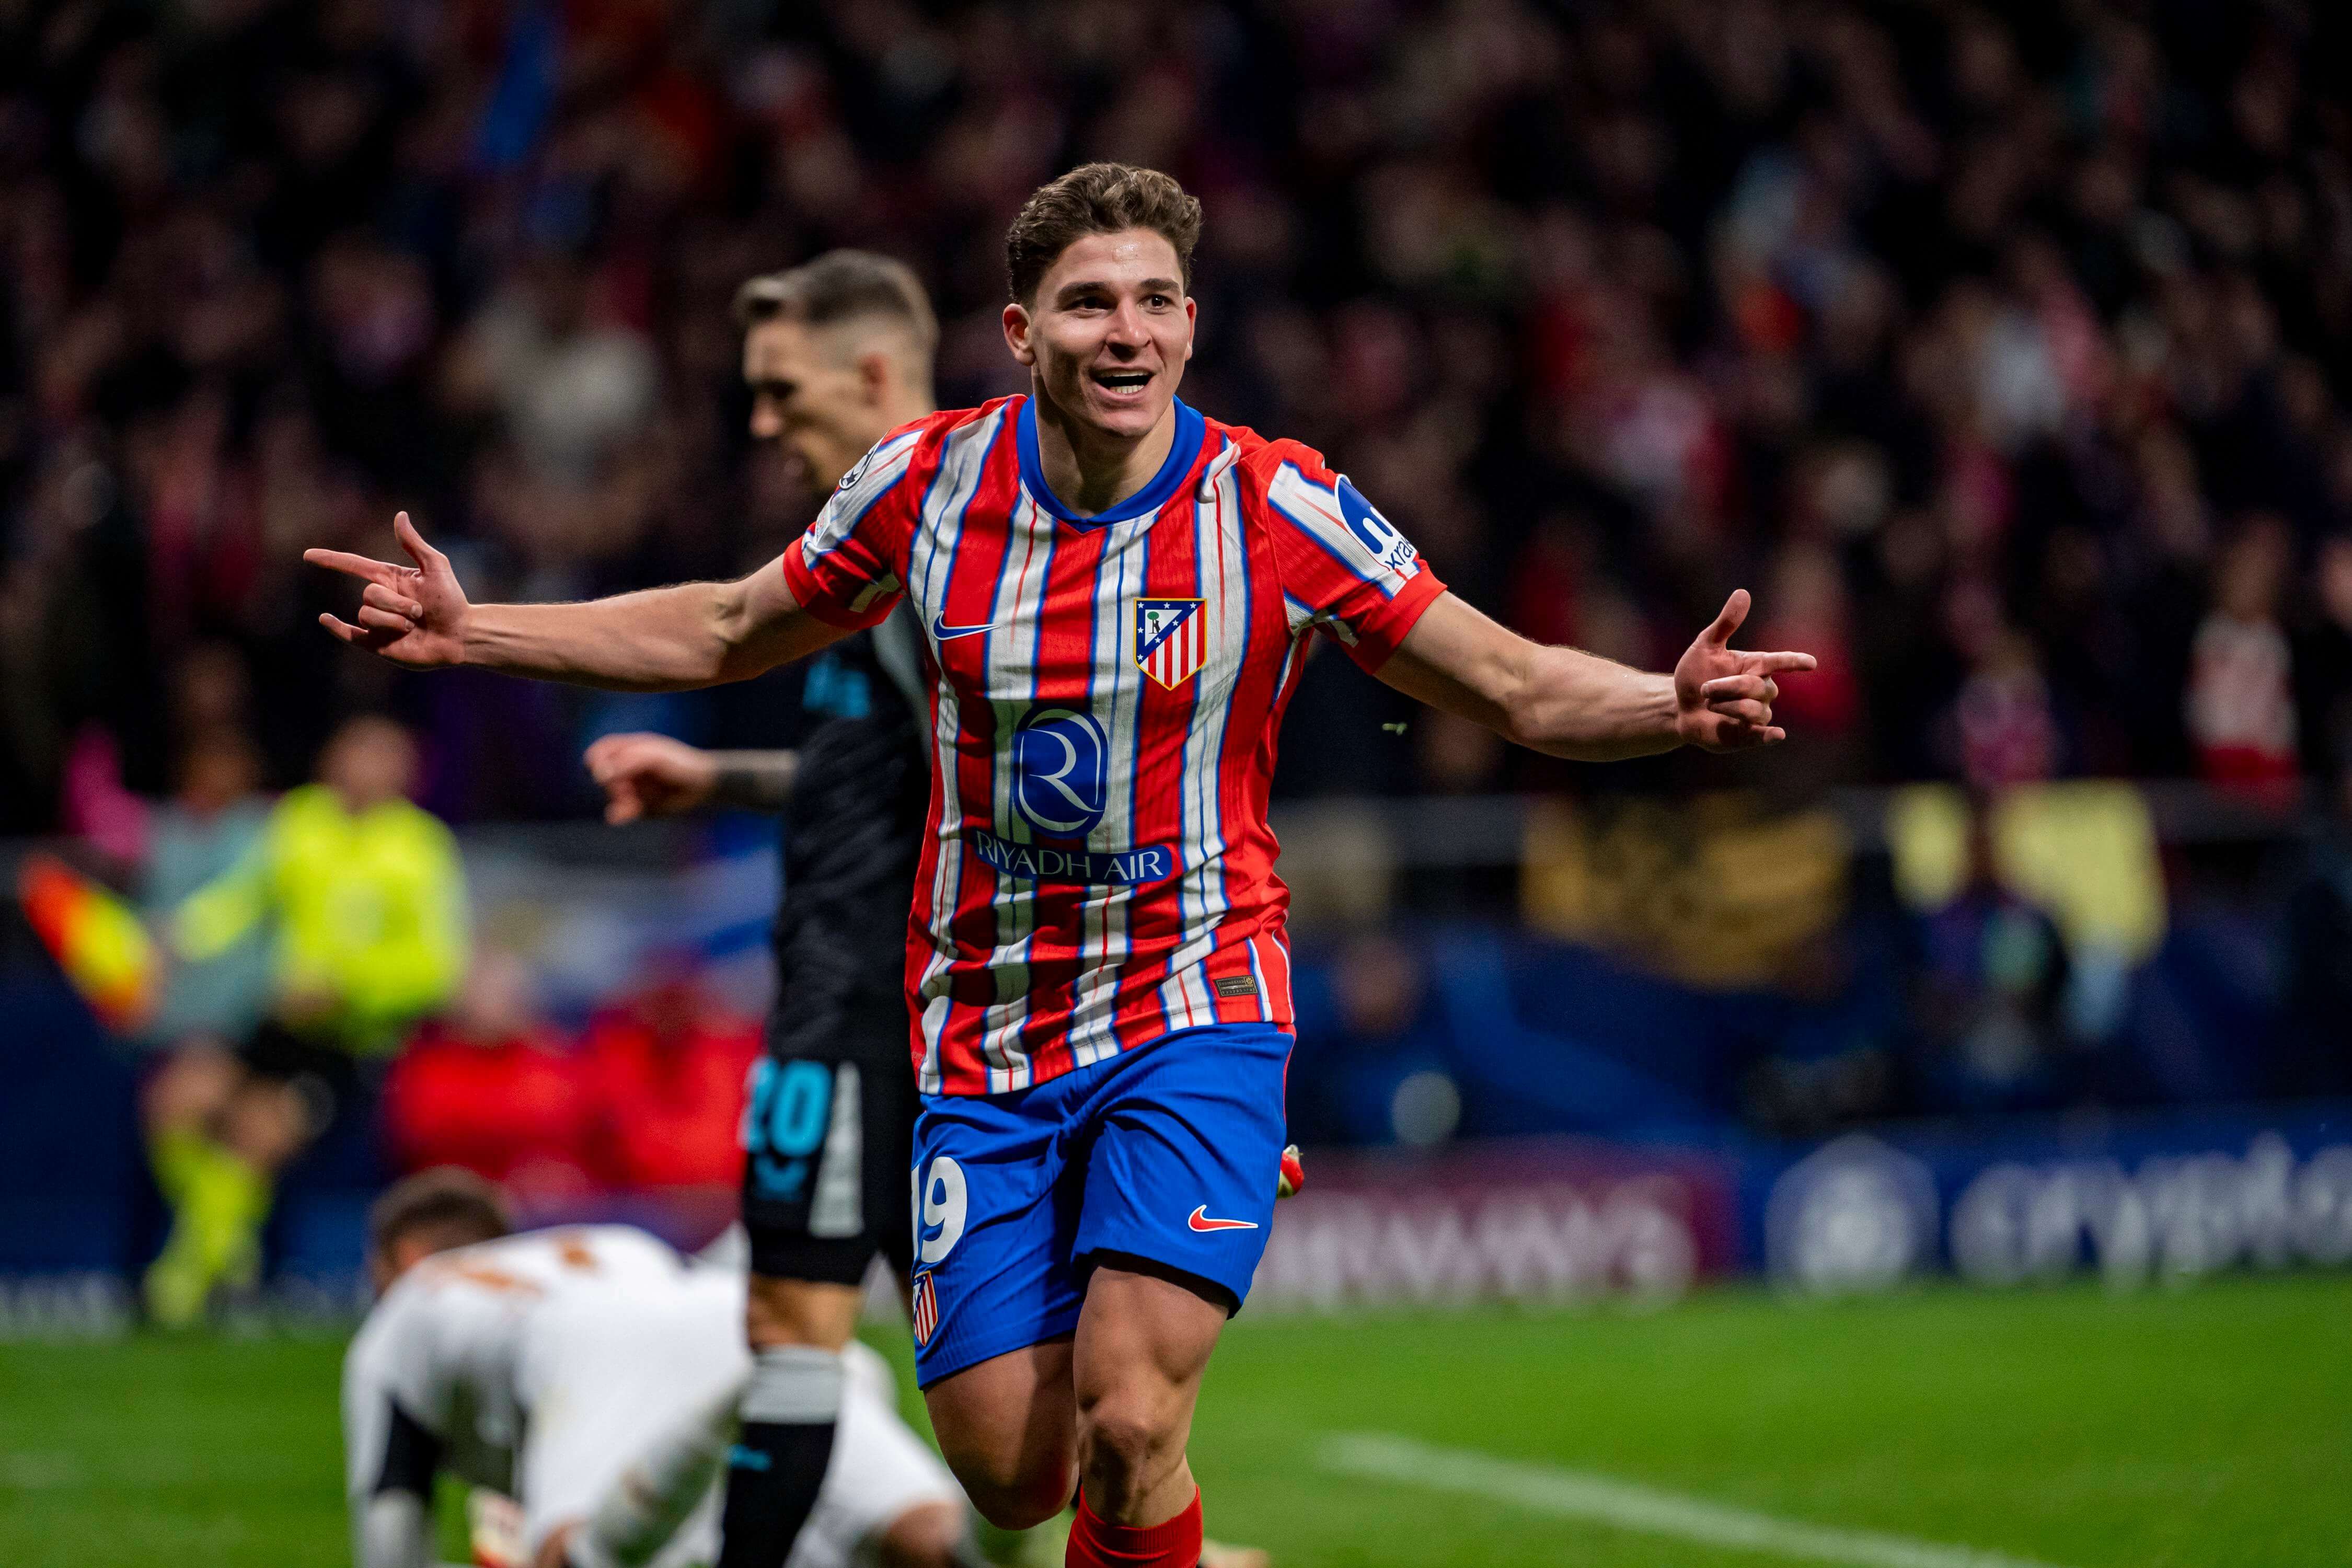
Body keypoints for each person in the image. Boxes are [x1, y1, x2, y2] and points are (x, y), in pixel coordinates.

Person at [306, 162, 1814, 1568]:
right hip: (983, 1032)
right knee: (1011, 1470)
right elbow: (719, 628)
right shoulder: (925, 488)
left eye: (1157, 300)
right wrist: (473, 627)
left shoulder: (1275, 507)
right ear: (1023, 329)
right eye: (1092, 301)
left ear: (1191, 325)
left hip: (1197, 994)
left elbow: (1512, 683)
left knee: (1133, 1413)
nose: (1129, 331)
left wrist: (1661, 706)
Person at [578, 251, 945, 1568]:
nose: (758, 422)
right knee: (841, 1347)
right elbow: (890, 773)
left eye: (777, 390)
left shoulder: (936, 549)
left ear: (870, 371)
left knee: (817, 1341)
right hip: (852, 1001)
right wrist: (716, 776)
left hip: (872, 1010)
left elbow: (1006, 781)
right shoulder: (881, 541)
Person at [343, 1167, 971, 1568]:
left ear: (406, 1254)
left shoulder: (404, 1308)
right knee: (932, 1539)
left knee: (575, 1555)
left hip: (583, 1350)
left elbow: (389, 1537)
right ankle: (1012, 1544)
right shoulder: (593, 1243)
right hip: (726, 1314)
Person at [147, 712, 468, 1324]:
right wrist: (180, 936)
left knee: (256, 1136)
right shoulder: (300, 822)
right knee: (176, 1103)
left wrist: (349, 990)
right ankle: (230, 1242)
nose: (360, 765)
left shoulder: (421, 849)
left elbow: (436, 968)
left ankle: (180, 1289)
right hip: (276, 1024)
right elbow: (242, 899)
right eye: (352, 750)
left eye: (379, 754)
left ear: (406, 772)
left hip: (349, 1043)